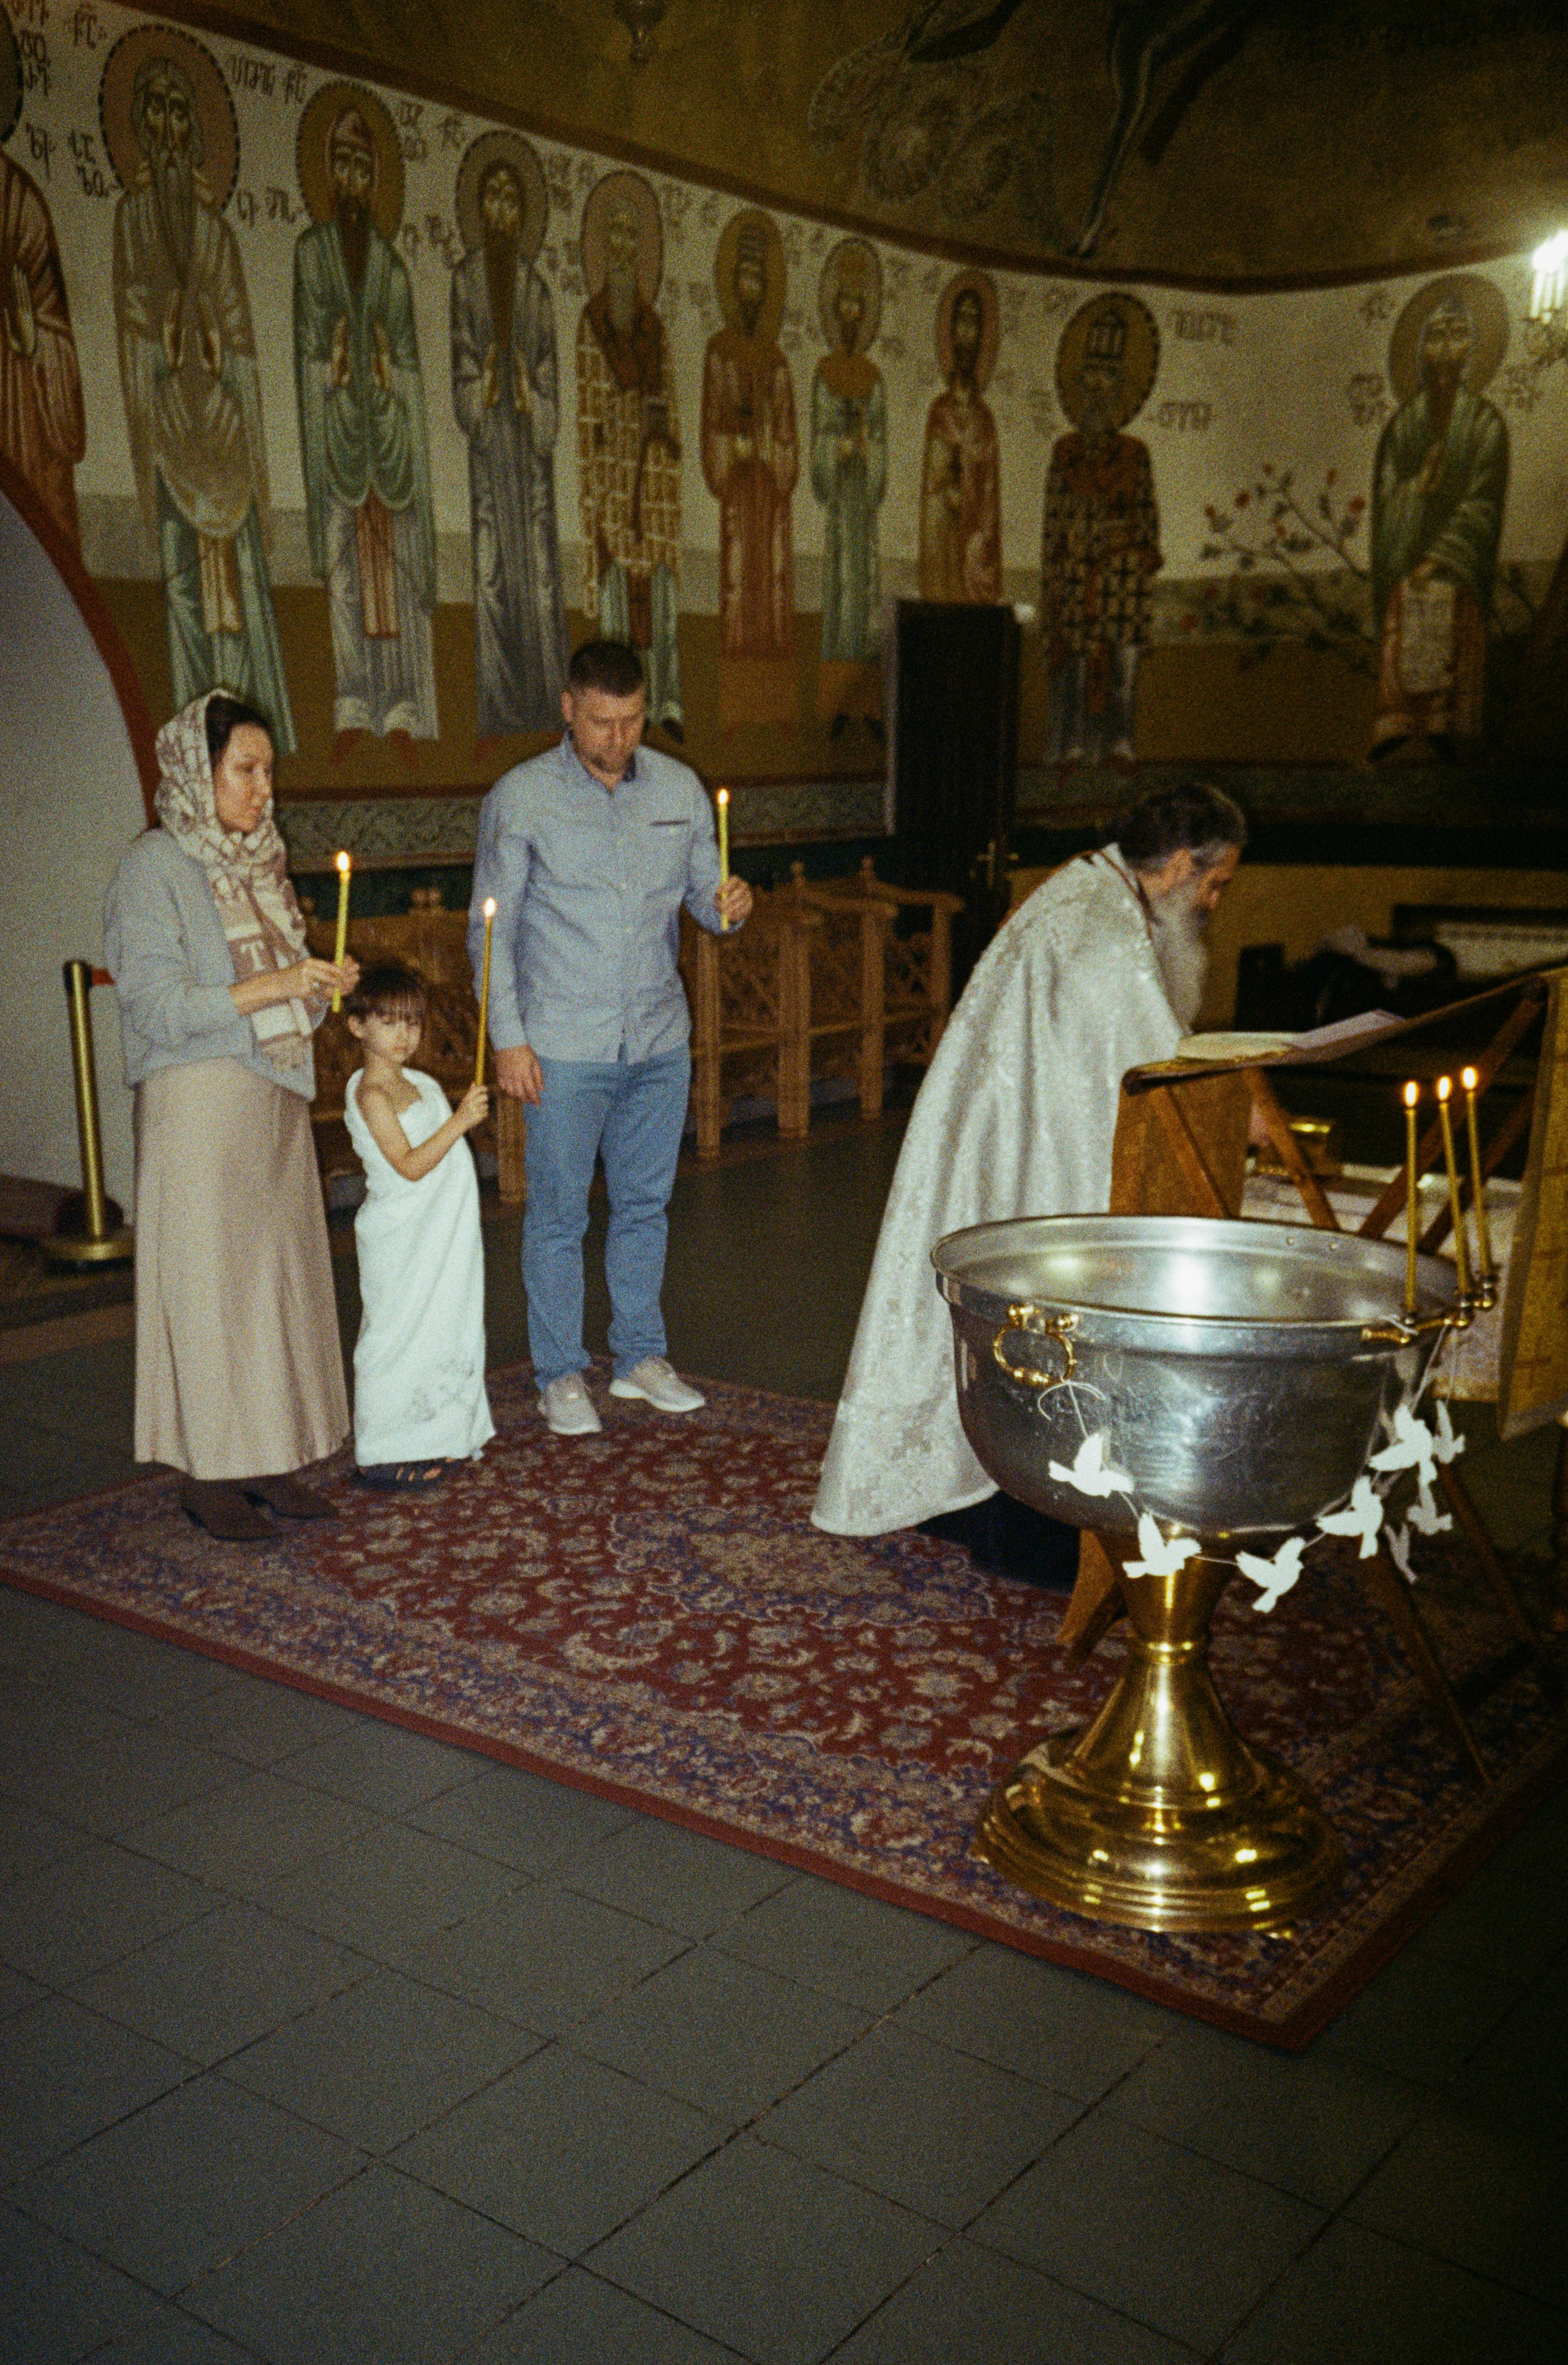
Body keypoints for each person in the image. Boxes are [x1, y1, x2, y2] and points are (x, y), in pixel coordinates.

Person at [811, 780, 1247, 1560]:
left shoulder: (1092, 890)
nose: (1213, 902)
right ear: (1180, 864)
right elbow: (1154, 1071)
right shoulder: (1102, 937)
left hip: (1005, 1150)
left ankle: (987, 1491)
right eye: (1214, 884)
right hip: (1027, 1161)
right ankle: (1034, 1518)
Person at [469, 638, 753, 1436]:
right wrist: (509, 1039)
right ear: (569, 708)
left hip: (658, 1037)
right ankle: (560, 1372)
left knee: (644, 1206)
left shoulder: (679, 788)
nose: (617, 739)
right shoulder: (522, 798)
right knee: (558, 1214)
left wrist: (728, 903)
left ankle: (638, 1358)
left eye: (630, 722)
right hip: (562, 1042)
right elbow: (491, 929)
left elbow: (706, 900)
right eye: (600, 722)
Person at [104, 692, 358, 1543]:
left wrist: (317, 986)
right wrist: (280, 986)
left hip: (271, 1095)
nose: (263, 791)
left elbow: (287, 996)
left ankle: (268, 1455)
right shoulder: (155, 867)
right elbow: (157, 1004)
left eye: (268, 772)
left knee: (273, 1283)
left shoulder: (259, 865)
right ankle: (209, 1473)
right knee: (212, 1286)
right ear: (194, 772)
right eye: (244, 772)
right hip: (198, 1100)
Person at [111, 49, 296, 749]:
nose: (167, 126)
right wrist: (160, 347)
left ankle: (250, 727)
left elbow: (241, 336)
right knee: (186, 587)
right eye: (153, 109)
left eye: (179, 111)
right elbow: (132, 326)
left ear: (193, 129)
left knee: (241, 589)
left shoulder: (217, 233)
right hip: (168, 431)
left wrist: (221, 354)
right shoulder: (133, 219)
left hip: (223, 431)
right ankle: (195, 732)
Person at [294, 100, 437, 747]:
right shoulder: (312, 255)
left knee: (394, 583)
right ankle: (353, 702)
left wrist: (387, 375)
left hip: (388, 441)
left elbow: (407, 364)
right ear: (328, 176)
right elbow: (306, 353)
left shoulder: (394, 271)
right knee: (348, 575)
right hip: (338, 442)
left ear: (376, 182)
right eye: (342, 167)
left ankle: (402, 705)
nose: (352, 181)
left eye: (362, 168)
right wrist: (333, 364)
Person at [342, 960, 495, 1486]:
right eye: (389, 1021)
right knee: (396, 1333)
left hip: (442, 1235)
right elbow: (407, 1166)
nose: (405, 1034)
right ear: (358, 1025)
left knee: (444, 1326)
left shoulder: (421, 1081)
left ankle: (440, 1433)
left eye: (412, 1021)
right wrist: (460, 1122)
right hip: (403, 1238)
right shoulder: (371, 1095)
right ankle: (382, 1449)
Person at [451, 151, 570, 738]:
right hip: (490, 457)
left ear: (524, 215)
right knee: (493, 576)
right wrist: (489, 382)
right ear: (480, 209)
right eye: (491, 197)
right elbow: (462, 380)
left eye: (511, 200)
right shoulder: (465, 280)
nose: (500, 210)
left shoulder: (538, 293)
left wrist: (526, 388)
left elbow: (550, 393)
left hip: (529, 460)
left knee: (541, 585)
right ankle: (499, 713)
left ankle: (547, 712)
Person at [1370, 290, 1507, 760]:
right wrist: (1415, 489)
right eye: (1437, 336)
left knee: (1450, 613)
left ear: (1473, 348)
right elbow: (1387, 500)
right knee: (1404, 608)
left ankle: (1448, 725)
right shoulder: (1403, 427)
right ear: (1420, 350)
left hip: (1455, 572)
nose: (1448, 347)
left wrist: (1437, 557)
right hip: (1406, 574)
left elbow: (1484, 502)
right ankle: (1398, 723)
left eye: (1460, 334)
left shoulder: (1486, 423)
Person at [576, 175, 684, 737]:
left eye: (631, 237)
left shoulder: (655, 328)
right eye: (612, 235)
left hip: (655, 483)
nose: (622, 247)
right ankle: (613, 702)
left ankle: (664, 702)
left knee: (661, 586)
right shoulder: (591, 322)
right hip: (613, 483)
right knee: (617, 586)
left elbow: (668, 406)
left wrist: (658, 428)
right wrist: (627, 422)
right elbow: (591, 409)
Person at [1042, 306, 1161, 768]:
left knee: (1123, 668)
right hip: (1076, 574)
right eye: (1090, 373)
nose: (1097, 385)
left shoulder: (1135, 454)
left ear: (1119, 385)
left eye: (1107, 375)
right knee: (1073, 661)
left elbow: (1147, 514)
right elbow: (1054, 518)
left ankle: (1120, 739)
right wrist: (1057, 569)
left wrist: (1140, 553)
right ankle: (1072, 740)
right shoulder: (1065, 450)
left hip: (1124, 573)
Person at [700, 212, 798, 729]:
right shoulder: (718, 354)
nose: (751, 288)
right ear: (732, 285)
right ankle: (736, 712)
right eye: (744, 277)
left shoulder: (779, 363)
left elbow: (789, 449)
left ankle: (774, 715)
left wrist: (764, 447)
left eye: (760, 279)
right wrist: (733, 448)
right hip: (739, 501)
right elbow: (710, 437)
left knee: (773, 600)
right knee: (739, 593)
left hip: (770, 505)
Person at [810, 241, 887, 731]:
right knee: (840, 600)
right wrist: (834, 450)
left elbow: (881, 441)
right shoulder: (824, 375)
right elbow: (819, 434)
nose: (852, 313)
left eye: (861, 304)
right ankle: (836, 708)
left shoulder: (875, 378)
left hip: (866, 510)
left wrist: (867, 449)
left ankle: (869, 707)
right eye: (846, 303)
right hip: (841, 506)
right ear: (835, 310)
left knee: (867, 602)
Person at [918, 277, 1001, 605]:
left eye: (974, 323)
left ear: (983, 336)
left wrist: (973, 513)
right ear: (950, 333)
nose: (967, 332)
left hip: (974, 542)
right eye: (961, 322)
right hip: (942, 543)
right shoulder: (939, 411)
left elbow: (991, 492)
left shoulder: (986, 420)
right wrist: (946, 492)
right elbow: (932, 484)